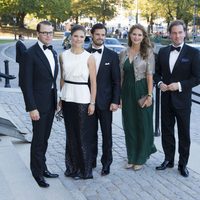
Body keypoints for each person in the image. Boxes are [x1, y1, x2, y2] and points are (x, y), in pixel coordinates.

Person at [155, 20, 200, 177]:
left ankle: (183, 164)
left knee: (184, 134)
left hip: (182, 101)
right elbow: (156, 73)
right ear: (169, 34)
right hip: (166, 99)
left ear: (185, 33)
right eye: (174, 33)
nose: (177, 36)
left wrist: (179, 85)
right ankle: (168, 159)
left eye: (180, 32)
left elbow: (197, 78)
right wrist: (159, 83)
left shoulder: (194, 53)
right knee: (167, 131)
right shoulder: (163, 52)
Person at [21, 21, 59, 187]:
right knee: (38, 140)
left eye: (50, 32)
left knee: (45, 139)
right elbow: (25, 84)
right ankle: (37, 173)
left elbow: (52, 79)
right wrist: (32, 107)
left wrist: (57, 99)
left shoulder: (54, 52)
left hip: (50, 102)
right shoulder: (30, 54)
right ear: (37, 34)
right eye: (45, 33)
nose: (48, 35)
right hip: (38, 105)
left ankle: (43, 167)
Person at [59, 25, 96, 180]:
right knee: (70, 135)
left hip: (83, 98)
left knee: (82, 136)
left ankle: (84, 170)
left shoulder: (89, 57)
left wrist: (92, 102)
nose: (78, 39)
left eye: (82, 37)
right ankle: (72, 167)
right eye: (76, 36)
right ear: (70, 37)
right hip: (67, 97)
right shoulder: (63, 55)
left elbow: (93, 82)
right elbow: (62, 78)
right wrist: (60, 98)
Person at [119, 24, 156, 171]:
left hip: (142, 90)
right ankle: (132, 156)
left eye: (139, 35)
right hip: (127, 91)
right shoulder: (122, 53)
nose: (136, 37)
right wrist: (120, 97)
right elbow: (121, 76)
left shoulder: (148, 52)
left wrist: (149, 95)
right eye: (134, 34)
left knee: (143, 124)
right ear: (130, 35)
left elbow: (149, 76)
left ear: (143, 37)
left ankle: (141, 156)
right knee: (129, 125)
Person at [87, 23, 121, 176]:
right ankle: (91, 160)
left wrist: (115, 101)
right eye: (98, 34)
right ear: (92, 34)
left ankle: (106, 163)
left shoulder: (112, 56)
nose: (100, 37)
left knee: (107, 135)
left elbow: (116, 81)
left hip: (106, 103)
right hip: (87, 103)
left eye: (103, 35)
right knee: (90, 134)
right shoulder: (84, 53)